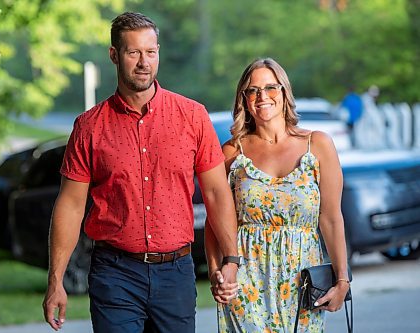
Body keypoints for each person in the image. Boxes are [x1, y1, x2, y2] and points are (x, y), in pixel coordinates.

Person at [42, 12, 239, 333]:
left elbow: (217, 192)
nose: (143, 62)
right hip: (114, 273)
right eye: (133, 52)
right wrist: (55, 281)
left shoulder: (193, 116)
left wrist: (231, 260)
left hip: (175, 273)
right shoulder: (89, 126)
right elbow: (70, 205)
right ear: (114, 55)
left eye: (151, 52)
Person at [205, 57, 350, 332]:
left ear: (284, 92)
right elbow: (215, 220)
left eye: (271, 87)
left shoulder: (317, 145)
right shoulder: (232, 153)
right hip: (246, 282)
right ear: (244, 99)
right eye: (253, 90)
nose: (263, 97)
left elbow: (331, 218)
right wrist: (216, 272)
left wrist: (343, 280)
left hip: (303, 282)